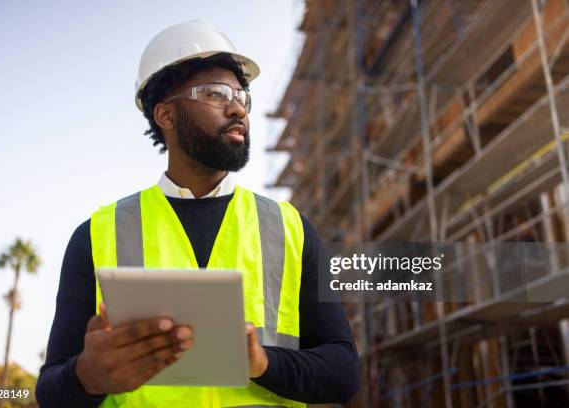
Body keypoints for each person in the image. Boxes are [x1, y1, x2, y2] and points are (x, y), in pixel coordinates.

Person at [35, 21, 360, 407]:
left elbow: (343, 372)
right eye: (215, 94)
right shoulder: (96, 235)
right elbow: (51, 390)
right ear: (166, 115)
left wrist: (263, 362)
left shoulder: (291, 228)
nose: (238, 108)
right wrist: (86, 375)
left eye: (242, 96)